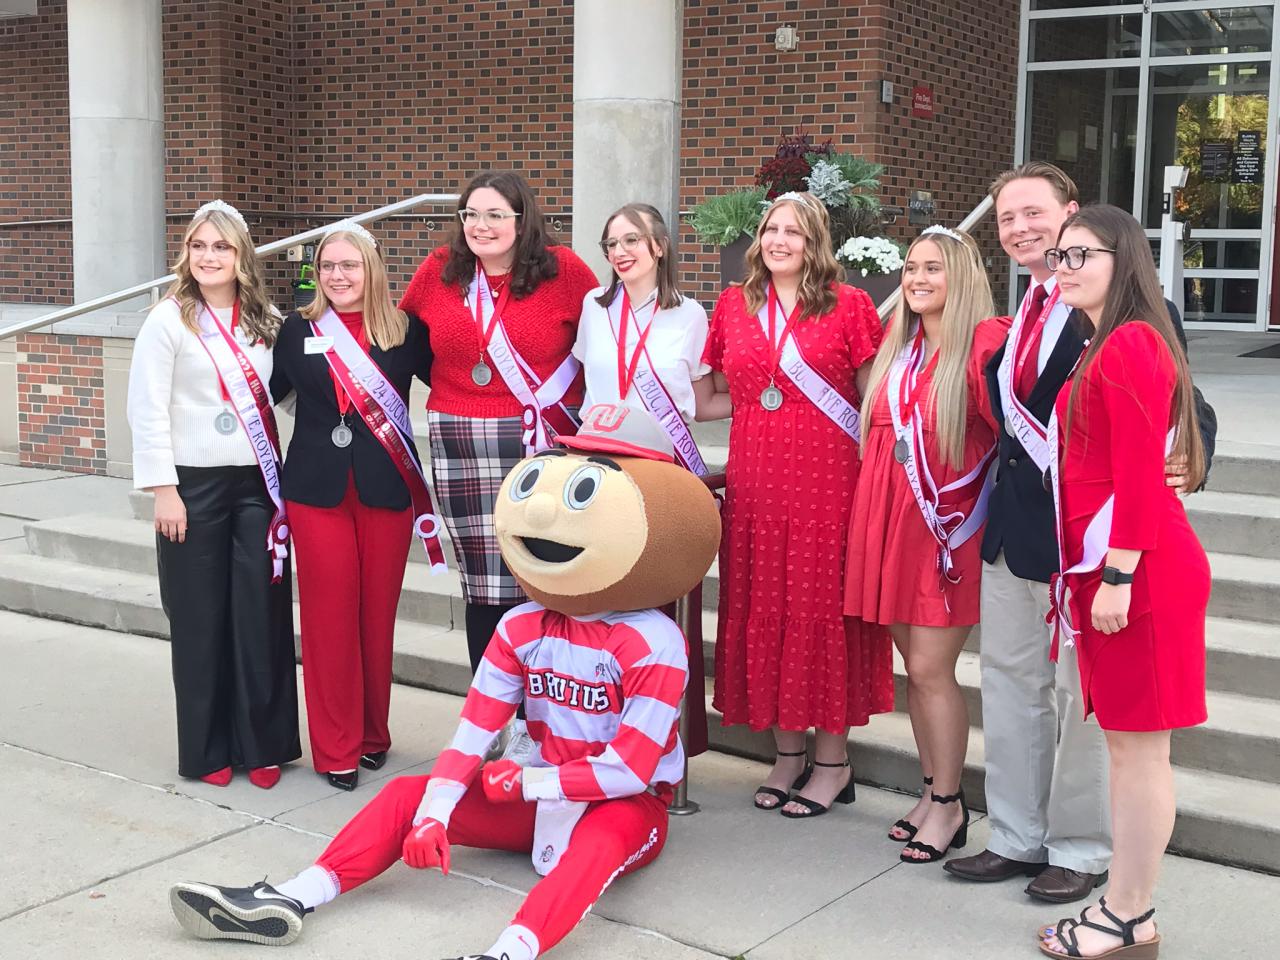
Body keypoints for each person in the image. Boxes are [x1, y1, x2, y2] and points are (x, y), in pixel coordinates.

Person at [167, 403, 722, 960]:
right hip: (539, 787)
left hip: (627, 806)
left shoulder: (655, 642)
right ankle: (290, 897)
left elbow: (630, 771)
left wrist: (526, 785)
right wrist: (435, 813)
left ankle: (508, 952)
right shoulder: (520, 624)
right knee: (408, 793)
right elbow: (471, 735)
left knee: (596, 846)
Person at [944, 163, 1217, 903]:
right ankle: (1014, 836)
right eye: (1006, 219)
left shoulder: (1123, 308)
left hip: (1085, 546)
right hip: (1013, 536)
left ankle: (1079, 846)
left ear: (1070, 215)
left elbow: (1183, 403)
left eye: (1035, 213)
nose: (1021, 229)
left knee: (1084, 705)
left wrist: (1193, 457)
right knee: (1008, 689)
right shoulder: (1022, 312)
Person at [1034, 204, 1209, 958]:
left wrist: (1117, 575)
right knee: (1126, 751)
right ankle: (1123, 905)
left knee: (1140, 753)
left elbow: (1139, 474)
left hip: (1140, 573)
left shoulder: (1132, 341)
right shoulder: (1098, 342)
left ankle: (1129, 914)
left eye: (1082, 255)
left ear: (1123, 259)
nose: (1064, 267)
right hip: (1117, 570)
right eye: (1059, 257)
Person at [701, 191, 892, 818]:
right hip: (756, 480)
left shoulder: (850, 304)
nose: (780, 241)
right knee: (766, 603)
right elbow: (714, 398)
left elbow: (874, 401)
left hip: (826, 482)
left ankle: (832, 764)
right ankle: (786, 757)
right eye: (771, 229)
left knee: (819, 609)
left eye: (795, 233)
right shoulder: (734, 304)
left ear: (816, 243)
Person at [844, 226, 1010, 862]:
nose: (916, 279)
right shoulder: (901, 348)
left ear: (961, 277)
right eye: (911, 268)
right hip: (889, 521)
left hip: (944, 532)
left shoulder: (982, 345)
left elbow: (1016, 438)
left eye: (932, 269)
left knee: (935, 672)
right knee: (916, 672)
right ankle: (931, 790)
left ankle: (950, 805)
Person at [399, 171, 599, 690]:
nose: (480, 226)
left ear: (521, 218)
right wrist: (466, 390)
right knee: (485, 583)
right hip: (460, 441)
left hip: (542, 443)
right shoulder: (441, 270)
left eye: (495, 215)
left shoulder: (566, 271)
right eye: (471, 214)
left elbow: (600, 347)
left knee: (547, 575)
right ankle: (490, 715)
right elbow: (411, 345)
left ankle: (550, 712)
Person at [126, 199, 299, 790]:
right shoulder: (168, 318)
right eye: (199, 246)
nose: (208, 257)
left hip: (256, 483)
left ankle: (265, 742)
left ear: (241, 254)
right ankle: (207, 750)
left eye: (220, 247)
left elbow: (290, 393)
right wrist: (163, 490)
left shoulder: (266, 320)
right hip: (190, 486)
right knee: (199, 620)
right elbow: (146, 409)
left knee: (259, 614)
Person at [269, 221, 436, 791]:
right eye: (328, 266)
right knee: (326, 619)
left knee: (374, 618)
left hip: (386, 489)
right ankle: (336, 746)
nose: (338, 276)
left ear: (372, 268)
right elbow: (279, 395)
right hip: (317, 490)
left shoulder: (407, 331)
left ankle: (372, 735)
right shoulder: (296, 330)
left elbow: (451, 384)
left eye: (350, 265)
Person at [571, 202, 714, 753]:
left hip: (661, 476)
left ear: (659, 247)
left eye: (632, 240)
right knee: (601, 603)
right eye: (611, 244)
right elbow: (589, 383)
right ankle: (596, 737)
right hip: (601, 471)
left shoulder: (691, 316)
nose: (620, 252)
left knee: (656, 609)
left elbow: (699, 401)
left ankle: (658, 745)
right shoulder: (593, 307)